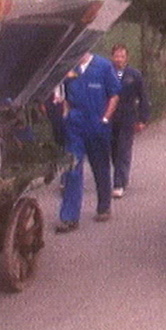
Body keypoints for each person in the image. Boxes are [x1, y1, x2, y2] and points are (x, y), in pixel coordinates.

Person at [56, 50, 121, 232]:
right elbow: (65, 95)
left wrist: (106, 118)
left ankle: (104, 206)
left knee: (100, 166)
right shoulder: (69, 67)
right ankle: (69, 217)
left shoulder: (103, 66)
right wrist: (66, 114)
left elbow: (114, 95)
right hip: (75, 124)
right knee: (72, 168)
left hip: (97, 123)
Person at [109, 44, 150, 199]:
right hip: (111, 117)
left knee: (123, 150)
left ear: (127, 57)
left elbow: (144, 97)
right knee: (113, 150)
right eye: (116, 56)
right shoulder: (107, 72)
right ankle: (120, 175)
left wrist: (142, 119)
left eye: (122, 56)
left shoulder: (134, 74)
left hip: (128, 117)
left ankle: (119, 183)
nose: (119, 59)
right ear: (112, 56)